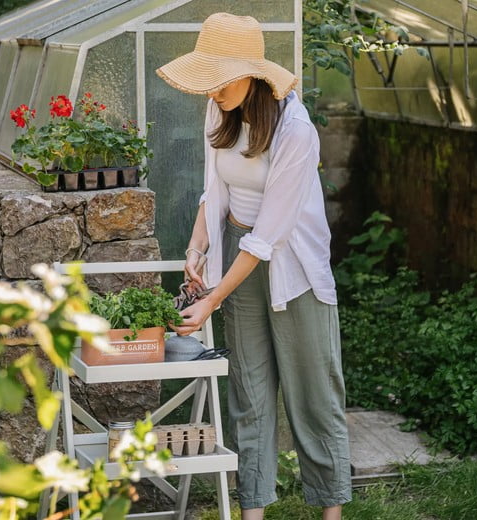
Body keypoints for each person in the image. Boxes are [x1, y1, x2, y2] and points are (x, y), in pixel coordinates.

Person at [157, 12, 351, 520]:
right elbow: (214, 190)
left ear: (254, 76)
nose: (212, 90)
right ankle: (252, 510)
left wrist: (211, 299)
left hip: (295, 268)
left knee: (313, 393)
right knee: (249, 392)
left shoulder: (296, 129)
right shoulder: (218, 110)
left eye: (220, 79)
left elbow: (270, 236)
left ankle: (330, 512)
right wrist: (196, 250)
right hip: (238, 258)